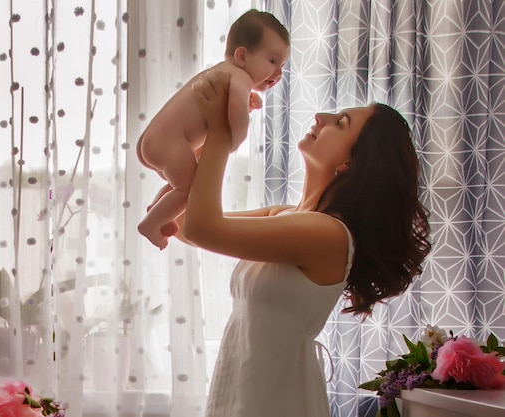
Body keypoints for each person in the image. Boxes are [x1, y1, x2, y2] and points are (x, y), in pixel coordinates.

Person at [178, 71, 431, 417]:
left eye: (340, 123)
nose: (321, 118)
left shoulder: (326, 235)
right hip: (241, 393)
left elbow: (200, 227)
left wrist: (223, 135)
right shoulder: (287, 216)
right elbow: (182, 223)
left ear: (348, 162)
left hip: (274, 400)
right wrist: (201, 135)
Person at [137, 9, 290, 249]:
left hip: (161, 141)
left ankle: (158, 211)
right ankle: (150, 224)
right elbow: (236, 119)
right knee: (188, 191)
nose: (278, 73)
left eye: (281, 65)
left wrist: (244, 102)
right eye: (272, 61)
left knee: (190, 181)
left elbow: (224, 108)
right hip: (170, 143)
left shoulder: (222, 73)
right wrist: (235, 139)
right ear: (242, 56)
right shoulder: (240, 78)